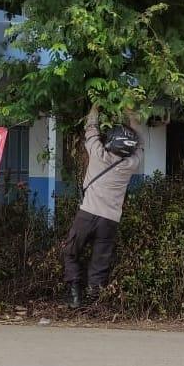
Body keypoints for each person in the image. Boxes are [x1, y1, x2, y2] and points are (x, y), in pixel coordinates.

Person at [63, 104, 144, 309]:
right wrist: (131, 115)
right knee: (100, 260)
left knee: (71, 252)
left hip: (87, 215)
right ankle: (94, 299)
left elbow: (91, 129)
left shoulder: (98, 154)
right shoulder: (131, 164)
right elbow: (141, 144)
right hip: (110, 220)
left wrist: (95, 108)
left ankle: (74, 296)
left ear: (110, 142)